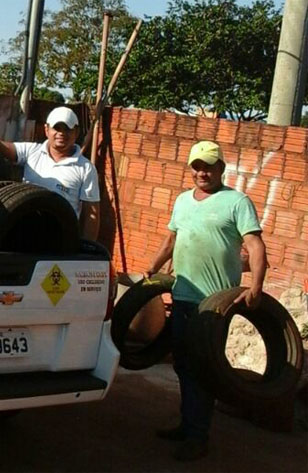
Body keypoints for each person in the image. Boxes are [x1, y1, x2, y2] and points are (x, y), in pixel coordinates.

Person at [143, 140, 267, 462]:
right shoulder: (183, 201)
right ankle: (188, 424)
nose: (202, 172)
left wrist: (255, 286)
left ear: (221, 168)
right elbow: (171, 239)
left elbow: (254, 245)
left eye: (209, 165)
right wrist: (153, 267)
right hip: (183, 296)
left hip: (216, 304)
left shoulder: (236, 202)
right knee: (183, 363)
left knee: (204, 366)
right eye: (197, 166)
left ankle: (199, 436)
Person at [0, 106, 100, 241]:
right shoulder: (32, 151)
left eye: (67, 129)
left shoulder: (86, 168)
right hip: (23, 231)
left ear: (77, 132)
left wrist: (86, 247)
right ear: (47, 130)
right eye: (57, 128)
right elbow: (2, 147)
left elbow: (92, 214)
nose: (61, 133)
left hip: (59, 240)